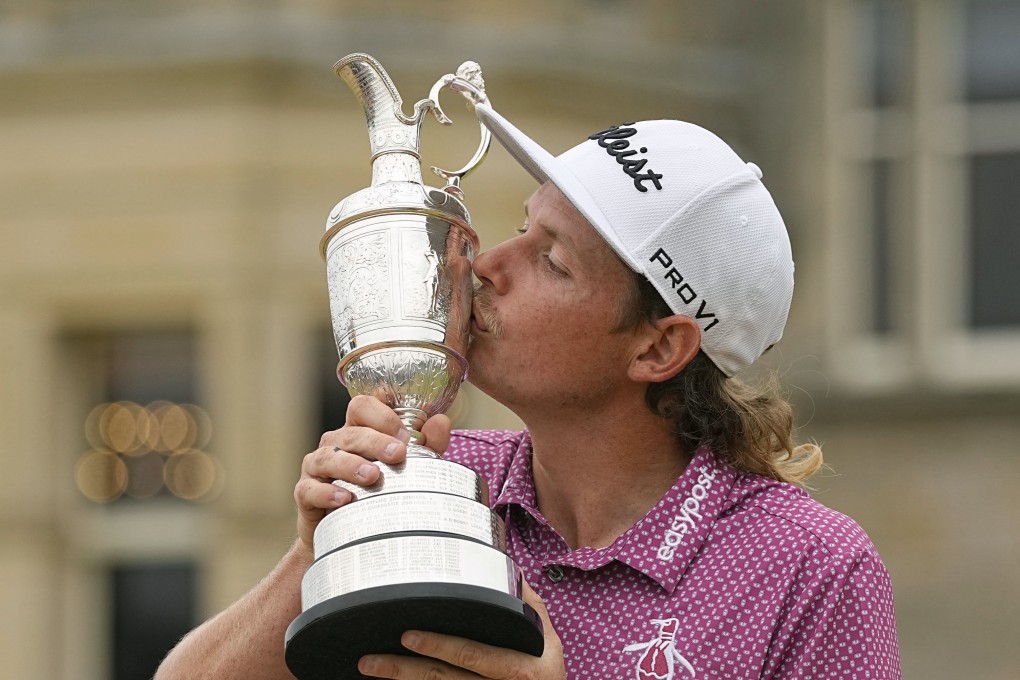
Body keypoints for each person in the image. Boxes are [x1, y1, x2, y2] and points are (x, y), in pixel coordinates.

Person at [156, 105, 901, 680]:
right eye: (520, 226)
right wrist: (312, 556)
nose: (487, 263)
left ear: (659, 345)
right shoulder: (444, 479)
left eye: (551, 261)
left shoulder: (812, 567)